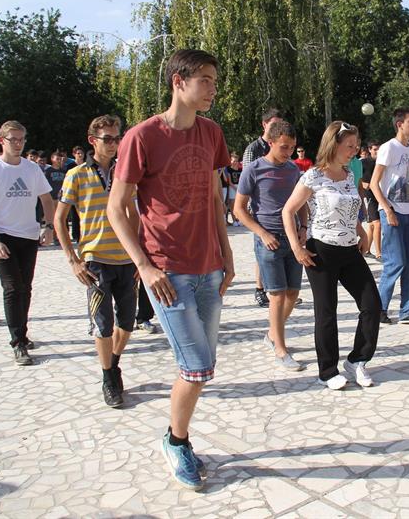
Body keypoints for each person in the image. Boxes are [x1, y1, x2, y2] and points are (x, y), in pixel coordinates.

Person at [107, 49, 235, 490]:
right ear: (179, 82)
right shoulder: (142, 137)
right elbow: (116, 207)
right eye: (206, 80)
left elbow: (215, 198)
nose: (213, 88)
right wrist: (144, 266)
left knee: (203, 366)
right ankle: (176, 441)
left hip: (209, 267)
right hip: (167, 270)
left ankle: (176, 435)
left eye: (215, 80)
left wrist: (227, 255)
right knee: (196, 366)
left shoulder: (211, 133)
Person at [282, 121, 380, 390]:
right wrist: (296, 247)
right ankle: (327, 371)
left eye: (356, 146)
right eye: (349, 146)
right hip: (321, 251)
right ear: (334, 145)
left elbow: (350, 208)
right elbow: (288, 211)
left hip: (350, 250)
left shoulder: (348, 175)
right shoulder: (313, 175)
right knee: (326, 312)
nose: (354, 150)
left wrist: (361, 232)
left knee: (372, 305)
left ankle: (357, 360)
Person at [54, 115, 136, 408]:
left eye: (117, 139)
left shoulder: (125, 172)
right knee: (103, 325)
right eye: (107, 139)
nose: (113, 144)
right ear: (93, 141)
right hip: (96, 260)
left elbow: (133, 213)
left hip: (127, 259)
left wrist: (140, 255)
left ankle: (113, 364)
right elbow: (59, 219)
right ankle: (108, 377)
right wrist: (73, 260)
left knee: (127, 323)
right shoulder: (76, 175)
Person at [0, 120, 55, 365]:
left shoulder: (32, 169)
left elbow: (47, 199)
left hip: (28, 236)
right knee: (12, 287)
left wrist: (48, 226)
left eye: (22, 139)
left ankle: (23, 332)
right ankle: (17, 342)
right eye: (13, 139)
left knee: (25, 288)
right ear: (2, 141)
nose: (18, 144)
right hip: (2, 236)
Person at [234, 120, 308, 371]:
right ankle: (280, 348)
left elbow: (302, 202)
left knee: (292, 293)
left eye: (292, 148)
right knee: (276, 295)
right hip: (269, 239)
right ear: (271, 142)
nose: (288, 152)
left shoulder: (293, 170)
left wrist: (303, 227)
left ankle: (272, 333)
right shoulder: (253, 169)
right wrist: (262, 233)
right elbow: (239, 210)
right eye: (284, 147)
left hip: (293, 237)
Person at [369, 107, 409, 324]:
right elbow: (374, 184)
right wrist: (387, 209)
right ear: (399, 124)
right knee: (395, 262)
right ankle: (379, 309)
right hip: (391, 211)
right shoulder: (388, 148)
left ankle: (408, 310)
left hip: (407, 210)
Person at [243, 108, 283, 308]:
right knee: (263, 251)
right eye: (273, 124)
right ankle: (260, 289)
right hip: (260, 209)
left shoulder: (281, 144)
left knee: (280, 251)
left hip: (280, 208)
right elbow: (247, 182)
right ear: (264, 124)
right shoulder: (253, 149)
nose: (277, 128)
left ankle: (280, 290)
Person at [360, 141, 381, 259]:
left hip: (380, 195)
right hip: (368, 196)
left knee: (372, 225)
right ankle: (379, 253)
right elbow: (356, 176)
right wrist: (362, 183)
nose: (377, 152)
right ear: (369, 149)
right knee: (377, 223)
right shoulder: (363, 162)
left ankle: (366, 250)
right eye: (375, 149)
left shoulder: (382, 162)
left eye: (379, 149)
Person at [45, 149, 68, 244]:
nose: (59, 160)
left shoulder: (64, 171)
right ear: (52, 159)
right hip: (52, 197)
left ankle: (60, 236)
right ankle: (54, 237)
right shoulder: (48, 171)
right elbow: (45, 184)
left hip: (62, 197)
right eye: (57, 158)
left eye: (60, 159)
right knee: (54, 217)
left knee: (62, 218)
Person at [225, 152, 242, 225]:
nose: (235, 162)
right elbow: (230, 182)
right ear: (231, 161)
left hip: (240, 186)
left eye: (236, 161)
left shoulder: (240, 169)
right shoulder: (229, 169)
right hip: (232, 187)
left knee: (239, 204)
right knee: (232, 205)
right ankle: (234, 220)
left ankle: (240, 220)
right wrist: (236, 188)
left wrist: (240, 188)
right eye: (233, 161)